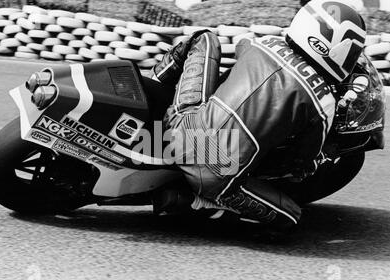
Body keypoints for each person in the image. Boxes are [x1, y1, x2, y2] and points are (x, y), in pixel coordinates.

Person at [151, 0, 367, 233]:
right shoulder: (325, 103)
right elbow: (300, 165)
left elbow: (242, 46)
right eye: (352, 51)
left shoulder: (265, 42)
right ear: (335, 46)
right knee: (291, 217)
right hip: (217, 175)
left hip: (181, 126)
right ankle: (194, 203)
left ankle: (151, 87)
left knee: (203, 38)